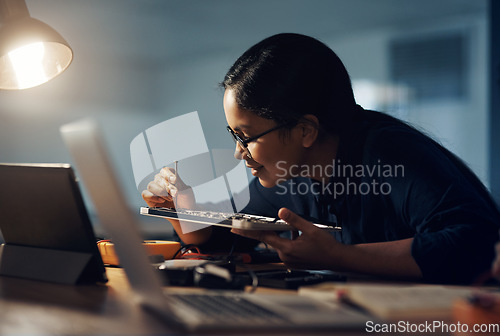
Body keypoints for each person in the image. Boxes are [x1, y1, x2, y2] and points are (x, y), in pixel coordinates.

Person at [142, 33, 500, 285]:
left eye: (246, 136)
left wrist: (336, 256)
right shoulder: (288, 174)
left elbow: (477, 245)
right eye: (233, 135)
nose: (239, 152)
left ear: (305, 131)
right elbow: (232, 239)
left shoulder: (388, 153)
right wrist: (180, 208)